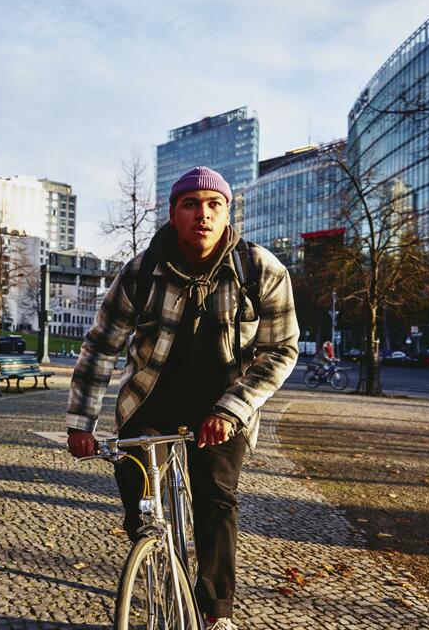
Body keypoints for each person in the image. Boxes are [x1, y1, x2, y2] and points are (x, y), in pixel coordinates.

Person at [65, 166, 299, 630]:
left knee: (215, 498)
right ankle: (152, 552)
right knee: (138, 490)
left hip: (222, 406)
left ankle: (215, 612)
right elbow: (102, 345)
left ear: (227, 212)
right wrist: (80, 422)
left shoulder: (260, 269)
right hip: (151, 399)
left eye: (214, 205)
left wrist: (232, 410)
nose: (203, 215)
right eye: (190, 204)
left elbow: (281, 349)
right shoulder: (140, 273)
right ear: (174, 214)